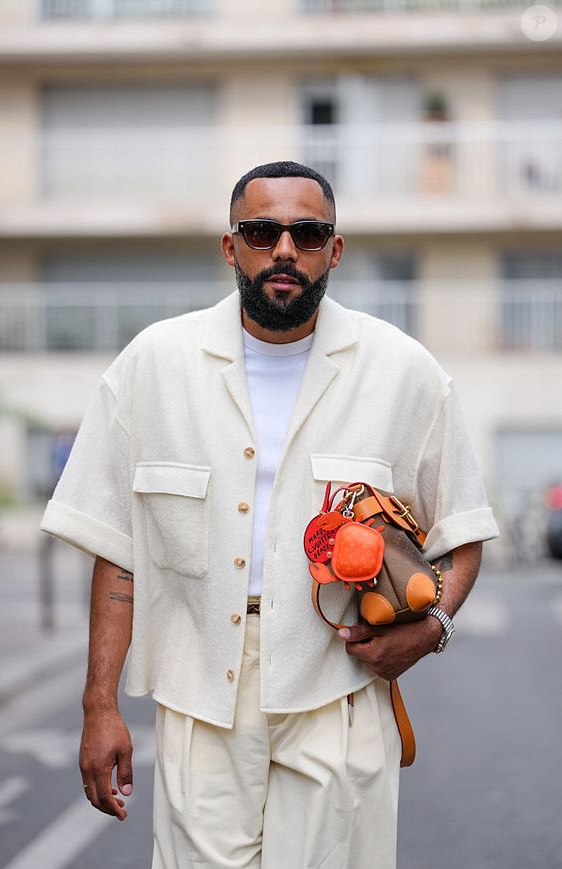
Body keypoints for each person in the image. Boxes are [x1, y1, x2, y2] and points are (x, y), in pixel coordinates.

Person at [41, 160, 499, 868]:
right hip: (200, 692)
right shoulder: (153, 367)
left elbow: (462, 532)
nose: (285, 250)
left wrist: (432, 628)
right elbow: (117, 550)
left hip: (338, 688)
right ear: (233, 246)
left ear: (334, 250)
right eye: (263, 231)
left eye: (308, 233)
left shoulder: (403, 373)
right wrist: (99, 703)